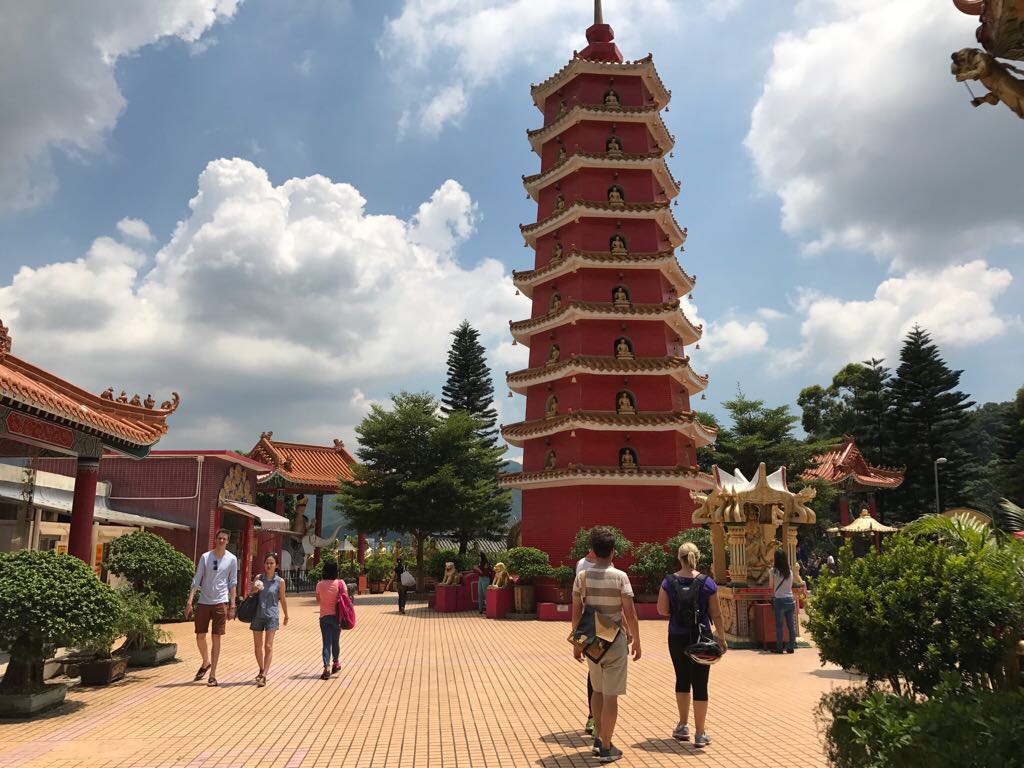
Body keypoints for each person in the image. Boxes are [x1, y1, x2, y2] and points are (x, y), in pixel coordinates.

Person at [571, 528, 641, 764]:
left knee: (597, 690)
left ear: (592, 550)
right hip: (614, 643)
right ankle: (607, 746)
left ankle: (598, 739)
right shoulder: (620, 576)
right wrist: (637, 640)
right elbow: (629, 612)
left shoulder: (582, 577)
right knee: (611, 696)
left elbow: (577, 612)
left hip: (592, 642)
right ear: (613, 551)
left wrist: (577, 644)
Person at [657, 541, 728, 749]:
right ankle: (700, 733)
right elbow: (716, 613)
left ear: (679, 558)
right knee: (700, 683)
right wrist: (721, 638)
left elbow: (662, 609)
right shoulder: (707, 582)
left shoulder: (668, 582)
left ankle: (682, 725)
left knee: (681, 678)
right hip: (702, 638)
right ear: (697, 557)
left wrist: (678, 611)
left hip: (677, 636)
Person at [184, 528, 237, 687]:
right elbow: (196, 579)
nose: (221, 541)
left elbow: (232, 582)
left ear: (228, 541)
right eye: (219, 538)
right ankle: (205, 661)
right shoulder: (206, 557)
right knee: (200, 636)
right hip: (204, 601)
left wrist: (232, 605)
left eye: (224, 539)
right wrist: (189, 602)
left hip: (221, 601)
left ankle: (212, 675)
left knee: (216, 637)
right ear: (215, 539)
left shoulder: (232, 559)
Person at [250, 552, 289, 687]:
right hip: (257, 615)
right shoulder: (259, 578)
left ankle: (265, 675)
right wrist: (254, 589)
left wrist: (286, 615)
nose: (269, 565)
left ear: (276, 565)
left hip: (272, 616)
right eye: (267, 563)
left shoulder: (280, 582)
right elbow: (250, 593)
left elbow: (282, 599)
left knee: (268, 646)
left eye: (272, 563)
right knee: (257, 646)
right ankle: (261, 669)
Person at [576, 549, 597, 735]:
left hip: (589, 627)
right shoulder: (583, 566)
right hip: (597, 628)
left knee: (595, 673)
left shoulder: (611, 570)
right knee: (597, 674)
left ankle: (595, 718)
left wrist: (577, 641)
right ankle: (595, 718)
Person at [315, 560, 345, 680]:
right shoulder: (340, 583)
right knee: (335, 641)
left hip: (324, 617)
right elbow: (345, 598)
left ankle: (326, 668)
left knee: (326, 643)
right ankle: (336, 663)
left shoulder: (319, 584)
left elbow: (318, 600)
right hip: (337, 617)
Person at [770, 548, 796, 654]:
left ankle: (779, 648)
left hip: (779, 600)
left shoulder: (773, 571)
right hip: (790, 599)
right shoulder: (789, 572)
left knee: (779, 625)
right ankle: (791, 646)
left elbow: (770, 586)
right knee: (791, 625)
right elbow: (790, 585)